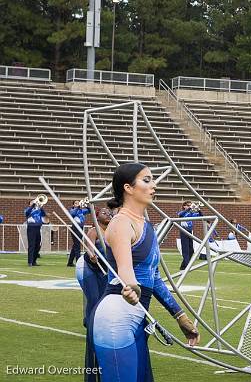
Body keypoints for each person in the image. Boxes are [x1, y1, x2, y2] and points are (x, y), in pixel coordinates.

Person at [92, 163, 199, 381]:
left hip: (138, 314)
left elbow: (154, 277)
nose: (154, 185)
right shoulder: (121, 223)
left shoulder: (146, 225)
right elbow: (125, 269)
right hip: (117, 315)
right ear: (128, 188)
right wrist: (131, 286)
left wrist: (180, 316)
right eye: (147, 180)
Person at [76, 206, 113, 381]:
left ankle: (90, 321)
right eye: (105, 212)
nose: (109, 214)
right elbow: (88, 246)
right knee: (93, 299)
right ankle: (91, 328)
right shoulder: (94, 230)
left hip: (103, 270)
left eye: (110, 212)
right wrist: (92, 255)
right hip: (88, 267)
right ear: (97, 217)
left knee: (103, 299)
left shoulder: (112, 231)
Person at [177, 201, 202, 270]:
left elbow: (201, 216)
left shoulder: (191, 213)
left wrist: (198, 209)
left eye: (190, 205)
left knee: (191, 250)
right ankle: (187, 265)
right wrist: (190, 208)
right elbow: (180, 215)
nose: (189, 206)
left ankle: (183, 266)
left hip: (190, 232)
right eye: (188, 205)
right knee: (185, 250)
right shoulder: (181, 213)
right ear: (184, 206)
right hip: (183, 232)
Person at [68, 200, 92, 267]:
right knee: (77, 245)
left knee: (75, 245)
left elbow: (90, 210)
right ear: (73, 205)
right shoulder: (72, 210)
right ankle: (78, 262)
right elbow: (73, 213)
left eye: (78, 203)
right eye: (76, 203)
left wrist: (86, 205)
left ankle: (70, 262)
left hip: (80, 228)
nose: (77, 204)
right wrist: (78, 207)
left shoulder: (82, 211)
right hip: (75, 228)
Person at [24, 199, 46, 266]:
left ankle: (34, 261)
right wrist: (32, 206)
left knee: (38, 245)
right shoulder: (27, 209)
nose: (34, 203)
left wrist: (41, 207)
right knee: (32, 245)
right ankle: (30, 262)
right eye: (32, 202)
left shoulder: (38, 209)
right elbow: (27, 213)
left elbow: (44, 214)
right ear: (29, 204)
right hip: (31, 228)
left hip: (38, 228)